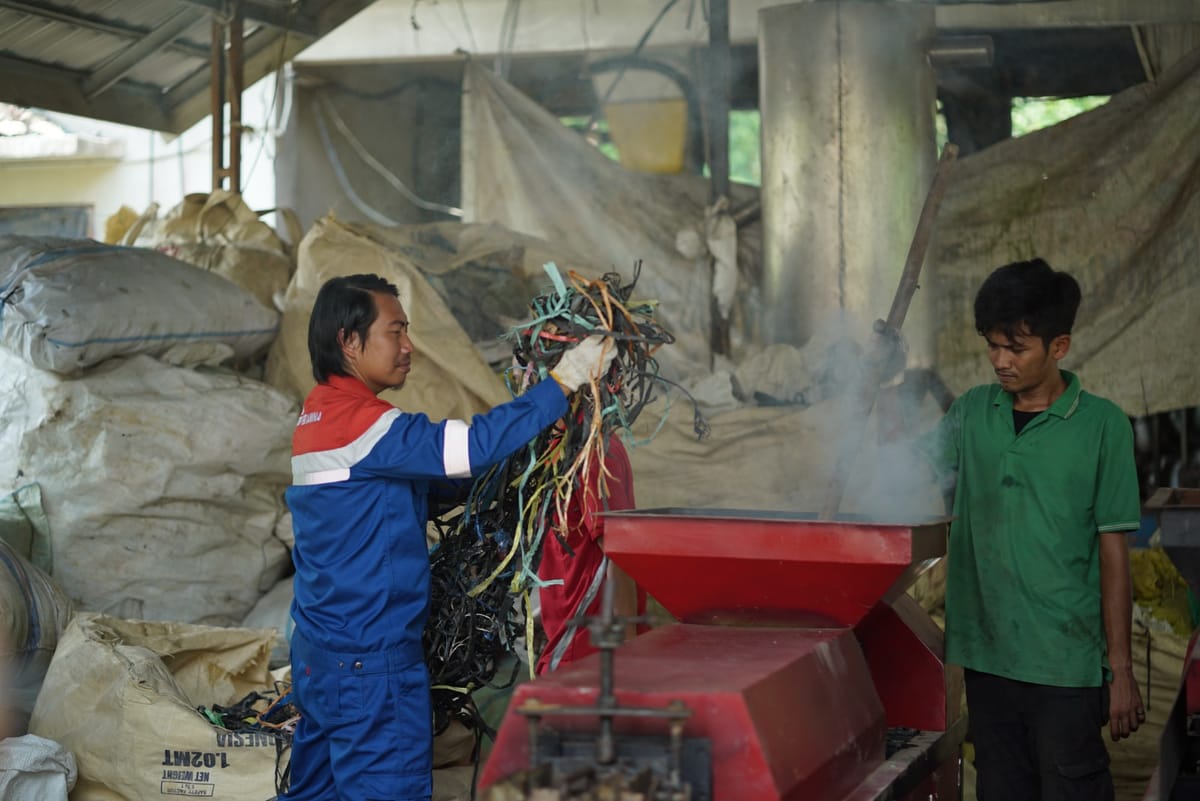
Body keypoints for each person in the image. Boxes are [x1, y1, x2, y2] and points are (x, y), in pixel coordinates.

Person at [282, 274, 614, 801]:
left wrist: (522, 463)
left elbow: (413, 491)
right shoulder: (365, 426)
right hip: (370, 663)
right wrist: (562, 383)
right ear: (349, 341)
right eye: (396, 331)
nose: (408, 346)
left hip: (320, 654)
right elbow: (469, 447)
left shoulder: (316, 416)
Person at [926, 258, 1143, 801]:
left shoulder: (1102, 426)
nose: (1000, 361)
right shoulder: (973, 413)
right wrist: (868, 390)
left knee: (1072, 789)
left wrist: (1120, 668)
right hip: (989, 657)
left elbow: (1114, 552)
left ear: (1058, 347)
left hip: (1066, 665)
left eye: (1016, 349)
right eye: (992, 346)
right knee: (1002, 790)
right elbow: (901, 470)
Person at [534, 432, 645, 675]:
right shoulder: (557, 445)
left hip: (587, 651)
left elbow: (617, 554)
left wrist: (628, 647)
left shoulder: (592, 451)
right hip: (568, 640)